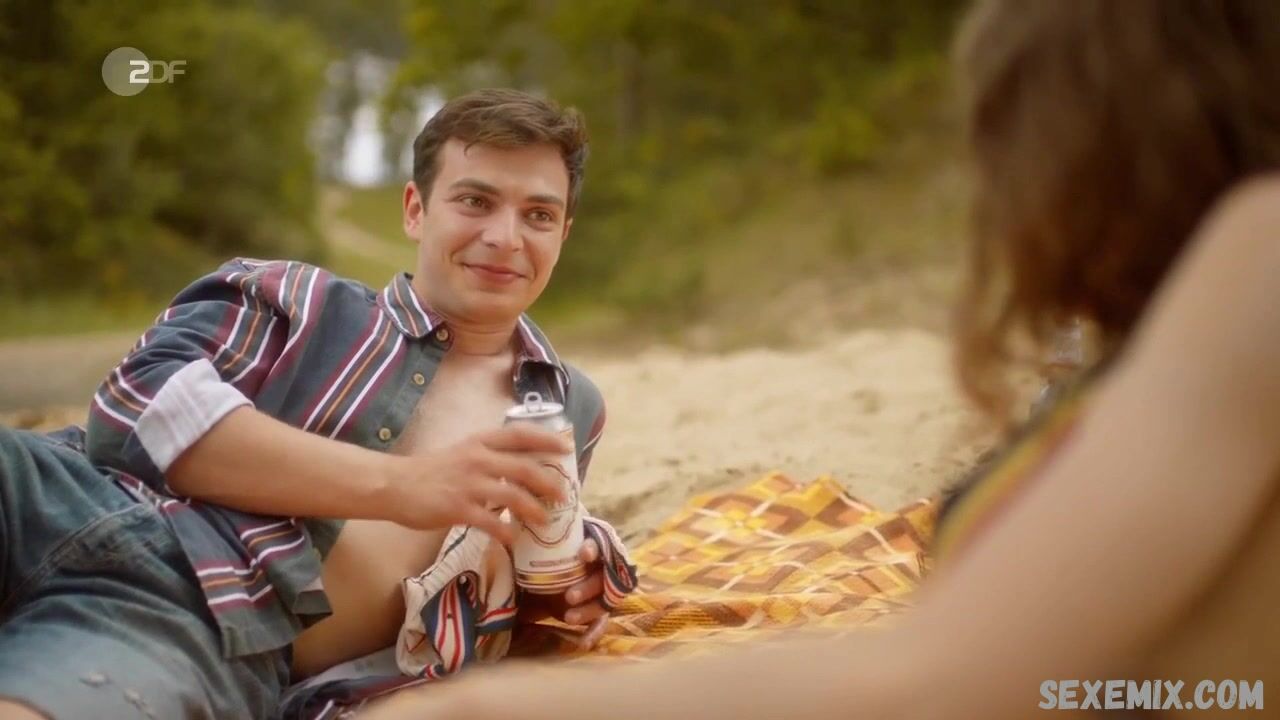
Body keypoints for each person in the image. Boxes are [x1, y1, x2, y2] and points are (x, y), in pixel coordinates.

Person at [363, 1, 1280, 718]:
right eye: (474, 203)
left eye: (1014, 129)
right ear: (416, 209)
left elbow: (936, 685)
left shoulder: (1260, 250)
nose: (1002, 185)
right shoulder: (320, 317)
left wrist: (486, 706)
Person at [0, 88, 637, 719]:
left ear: (563, 234)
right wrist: (402, 485)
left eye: (538, 215)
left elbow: (525, 564)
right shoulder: (298, 298)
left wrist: (576, 580)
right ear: (416, 210)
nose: (504, 237)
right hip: (55, 493)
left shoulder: (567, 406)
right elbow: (135, 409)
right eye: (475, 201)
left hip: (195, 611)